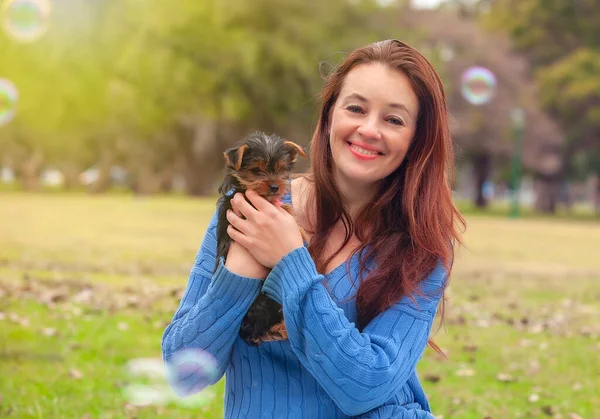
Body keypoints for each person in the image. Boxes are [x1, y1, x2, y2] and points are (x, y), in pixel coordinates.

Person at [162, 39, 465, 418]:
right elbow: (183, 370)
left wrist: (290, 261)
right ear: (329, 116)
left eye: (394, 119)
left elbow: (364, 387)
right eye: (356, 108)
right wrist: (239, 271)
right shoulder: (247, 210)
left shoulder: (423, 247)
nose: (369, 129)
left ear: (416, 139)